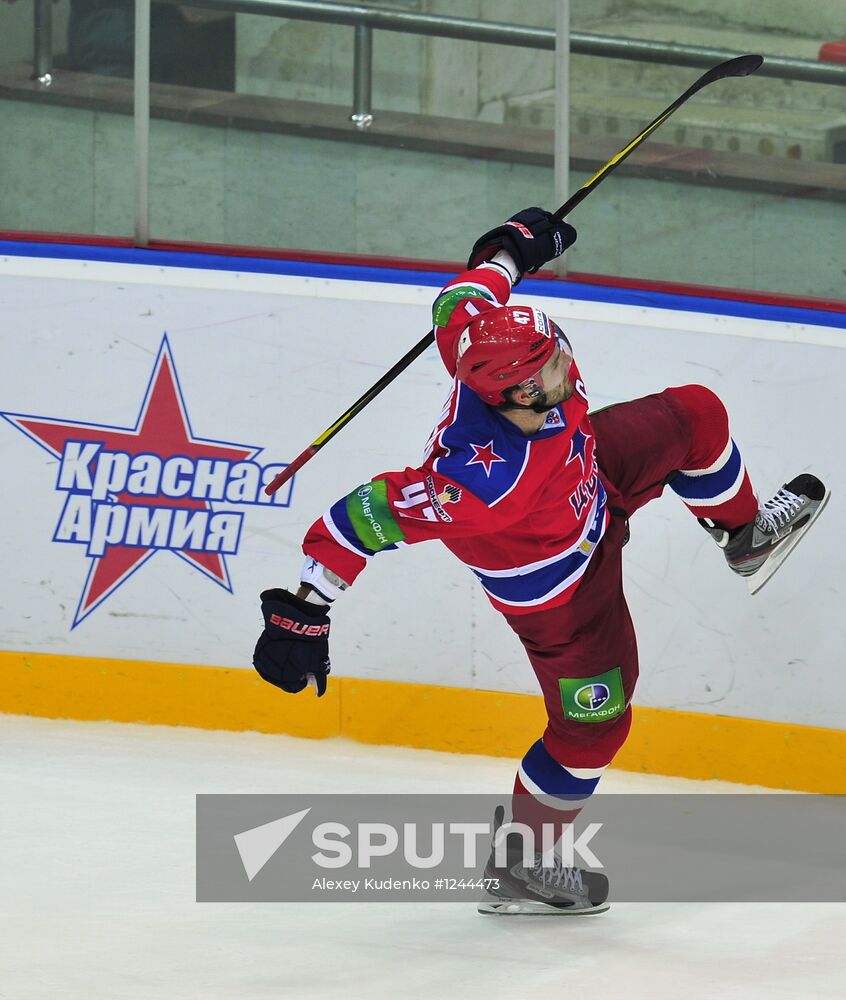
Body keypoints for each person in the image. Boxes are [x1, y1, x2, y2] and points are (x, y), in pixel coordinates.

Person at [251, 208, 829, 915]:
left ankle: (746, 539)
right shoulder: (481, 485)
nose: (568, 366)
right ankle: (525, 864)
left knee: (694, 414)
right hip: (564, 590)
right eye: (553, 368)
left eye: (557, 350)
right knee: (594, 727)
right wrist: (302, 614)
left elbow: (463, 297)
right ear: (519, 394)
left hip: (591, 477)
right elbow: (363, 517)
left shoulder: (485, 346)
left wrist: (511, 247)